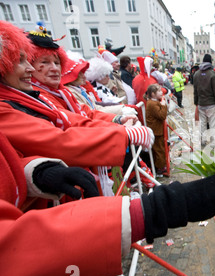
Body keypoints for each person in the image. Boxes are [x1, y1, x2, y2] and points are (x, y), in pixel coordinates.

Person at [0, 128, 215, 276]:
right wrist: (155, 209)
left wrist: (34, 172)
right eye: (24, 60)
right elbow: (11, 252)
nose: (33, 68)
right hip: (48, 258)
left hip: (62, 222)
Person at [0, 21, 153, 197]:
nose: (29, 68)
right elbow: (58, 140)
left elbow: (82, 115)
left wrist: (117, 121)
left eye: (57, 63)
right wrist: (122, 134)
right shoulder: (19, 101)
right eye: (44, 62)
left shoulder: (49, 94)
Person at [193, 54, 215, 148]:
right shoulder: (212, 74)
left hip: (201, 104)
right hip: (211, 103)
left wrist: (196, 102)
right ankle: (214, 142)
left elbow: (195, 90)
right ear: (211, 62)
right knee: (212, 124)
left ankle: (202, 141)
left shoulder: (196, 74)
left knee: (202, 123)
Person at [144, 84, 168, 177]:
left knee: (159, 148)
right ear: (153, 94)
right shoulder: (152, 103)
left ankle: (160, 166)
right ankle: (160, 168)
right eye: (159, 91)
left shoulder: (152, 102)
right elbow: (162, 115)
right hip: (156, 131)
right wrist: (164, 105)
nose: (161, 92)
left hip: (156, 129)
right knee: (159, 150)